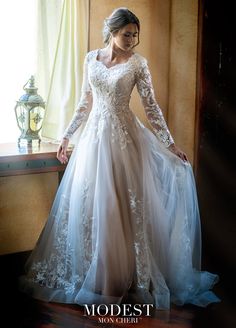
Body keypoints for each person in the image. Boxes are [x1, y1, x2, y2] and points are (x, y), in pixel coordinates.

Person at [19, 7, 220, 310]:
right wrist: (65, 136)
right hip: (93, 142)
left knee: (120, 206)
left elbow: (151, 107)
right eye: (127, 34)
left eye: (135, 35)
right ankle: (94, 274)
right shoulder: (91, 59)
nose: (132, 40)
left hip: (125, 142)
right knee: (92, 205)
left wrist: (170, 144)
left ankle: (122, 277)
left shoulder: (138, 64)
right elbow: (84, 104)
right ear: (112, 31)